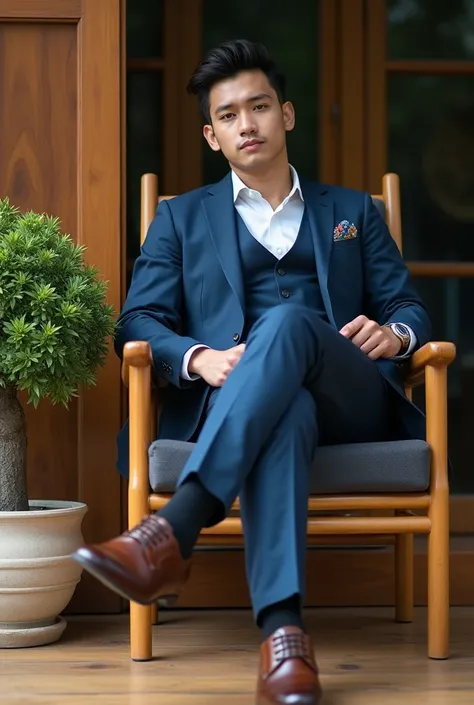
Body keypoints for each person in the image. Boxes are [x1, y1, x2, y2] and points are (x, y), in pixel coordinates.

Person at [73, 39, 430, 705]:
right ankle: (283, 640)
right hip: (244, 403)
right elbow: (138, 321)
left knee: (289, 323)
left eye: (259, 107)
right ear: (212, 134)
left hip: (349, 403)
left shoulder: (352, 213)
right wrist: (196, 356)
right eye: (230, 115)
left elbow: (409, 305)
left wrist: (395, 331)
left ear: (286, 115)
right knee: (283, 408)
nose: (248, 124)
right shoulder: (180, 220)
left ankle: (174, 527)